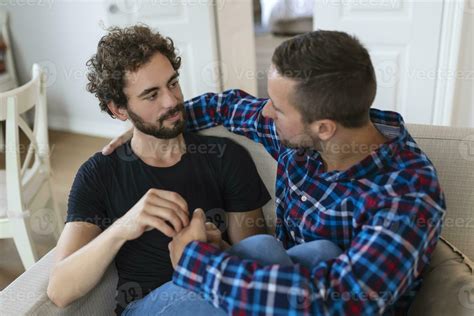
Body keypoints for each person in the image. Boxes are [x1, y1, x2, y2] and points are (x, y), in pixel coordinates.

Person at [104, 30, 446, 315]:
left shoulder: (407, 196)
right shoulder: (304, 134)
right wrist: (154, 124)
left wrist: (196, 261)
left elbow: (335, 299)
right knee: (268, 248)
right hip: (282, 285)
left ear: (324, 128)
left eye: (278, 108)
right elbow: (224, 107)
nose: (265, 112)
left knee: (321, 253)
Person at [46, 25, 272, 315]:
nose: (172, 100)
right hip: (150, 306)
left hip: (214, 289)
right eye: (151, 95)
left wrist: (218, 249)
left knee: (267, 249)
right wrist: (125, 226)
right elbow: (60, 289)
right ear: (119, 109)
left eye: (173, 83)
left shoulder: (225, 156)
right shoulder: (100, 172)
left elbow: (257, 269)